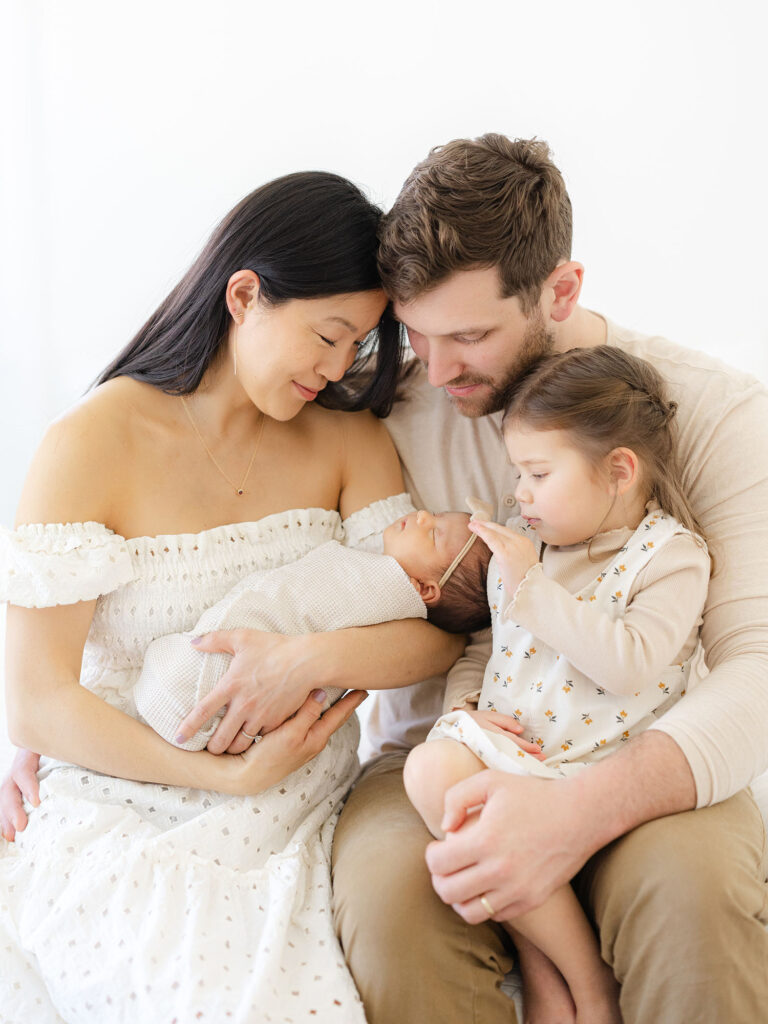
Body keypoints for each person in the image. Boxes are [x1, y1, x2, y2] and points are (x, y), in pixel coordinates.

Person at [0, 170, 472, 1023]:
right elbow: (37, 702)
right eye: (327, 336)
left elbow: (432, 636)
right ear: (245, 295)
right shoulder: (91, 444)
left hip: (305, 799)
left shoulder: (347, 440)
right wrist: (215, 778)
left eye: (356, 346)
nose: (335, 370)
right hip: (127, 800)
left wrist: (302, 662)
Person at [329, 134, 768, 1024]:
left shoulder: (713, 411)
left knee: (691, 892)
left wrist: (571, 818)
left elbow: (755, 668)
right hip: (453, 750)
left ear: (560, 290)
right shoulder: (395, 414)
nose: (437, 369)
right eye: (416, 333)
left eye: (471, 335)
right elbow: (247, 549)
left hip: (642, 743)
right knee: (391, 901)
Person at [405, 346, 711, 1024]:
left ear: (619, 472)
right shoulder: (524, 546)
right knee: (429, 770)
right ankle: (561, 966)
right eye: (517, 472)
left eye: (538, 473)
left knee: (473, 808)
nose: (519, 493)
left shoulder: (669, 558)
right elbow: (488, 646)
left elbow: (630, 663)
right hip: (518, 755)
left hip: (596, 773)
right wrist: (468, 708)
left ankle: (576, 980)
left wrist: (532, 588)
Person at [135, 502, 494, 751]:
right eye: (432, 514)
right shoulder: (369, 575)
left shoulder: (379, 597)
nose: (420, 517)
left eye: (432, 534)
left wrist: (306, 660)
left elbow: (305, 604)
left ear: (425, 590)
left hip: (195, 686)